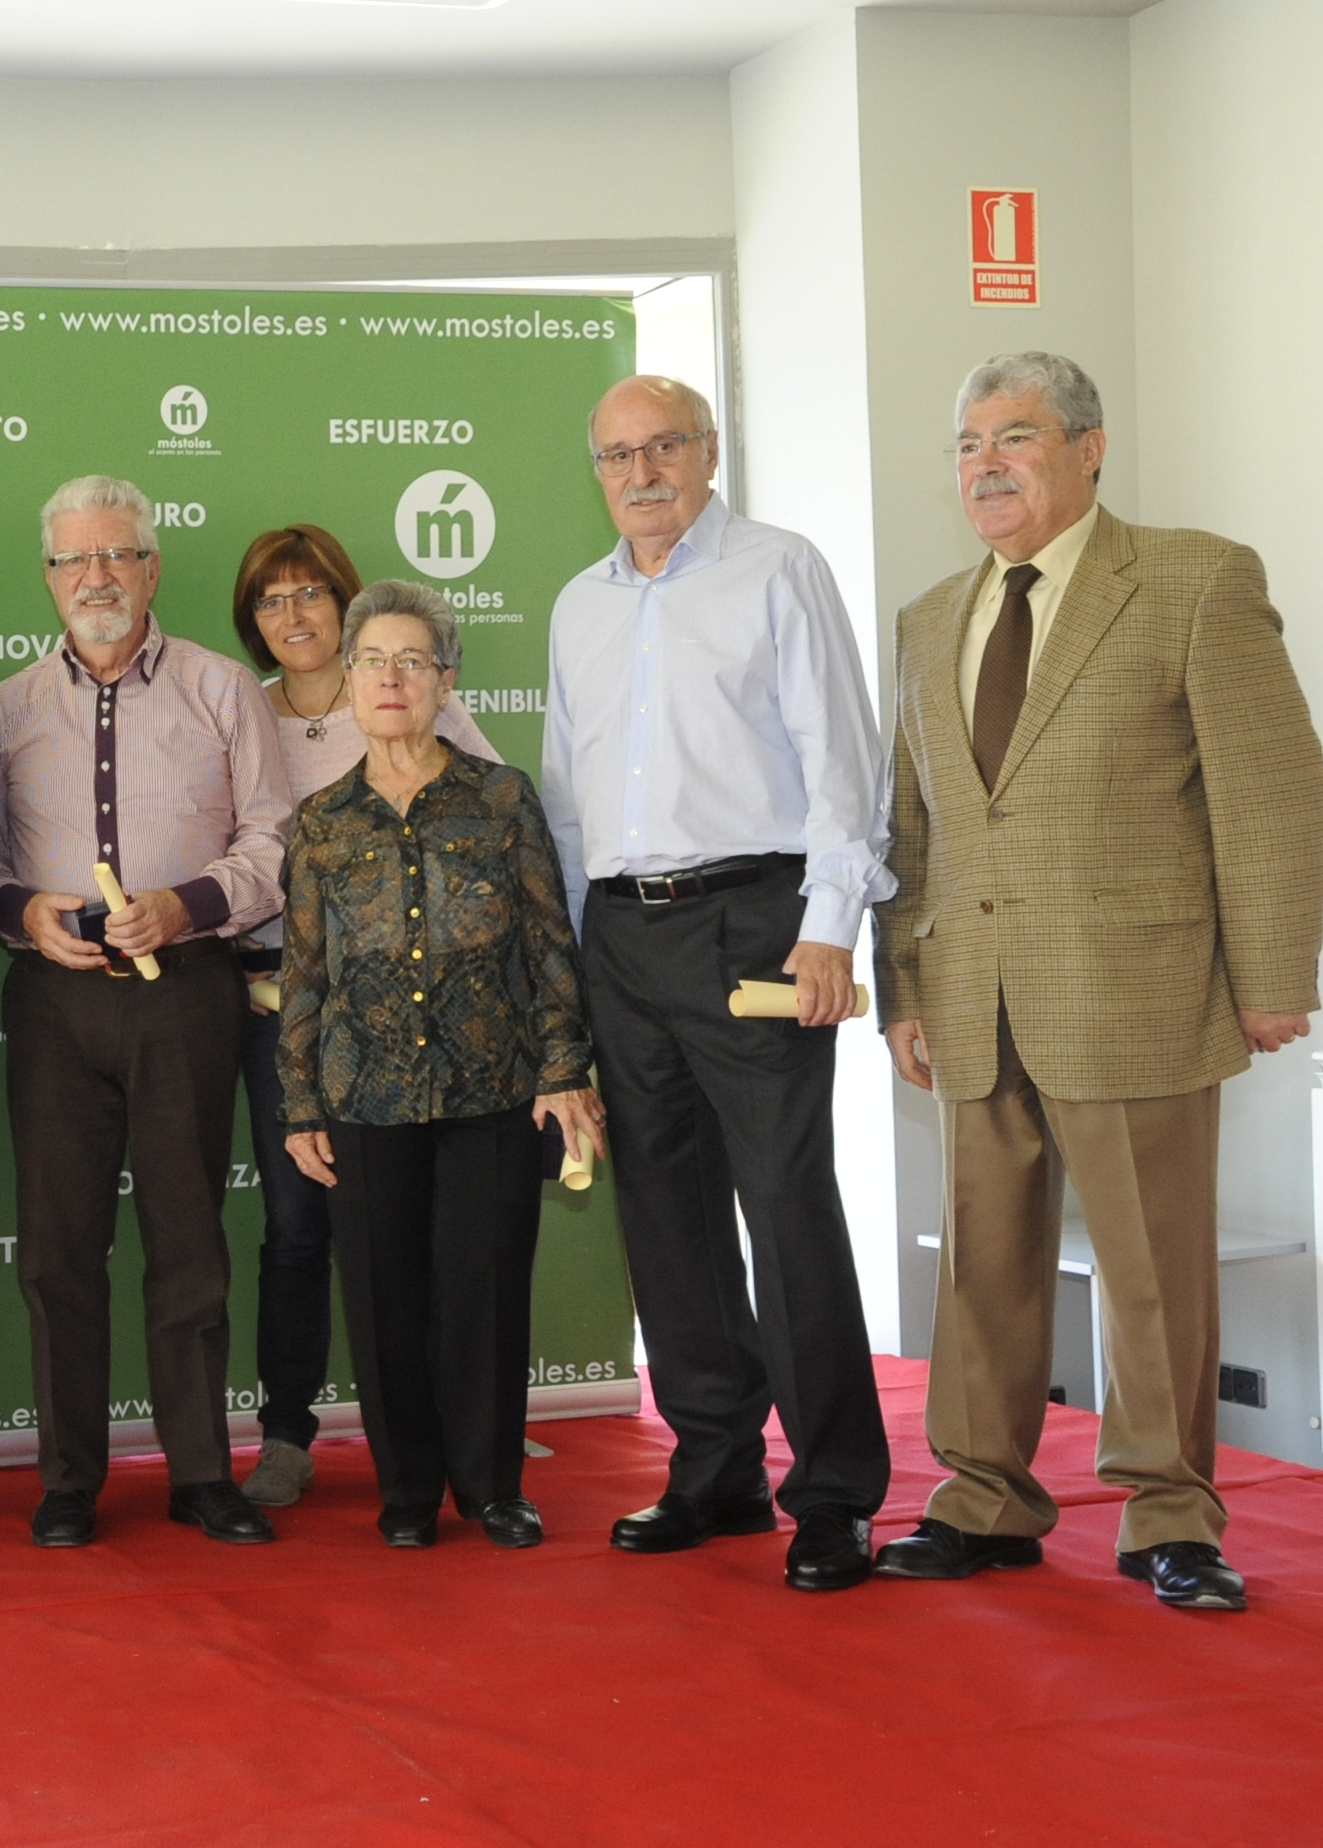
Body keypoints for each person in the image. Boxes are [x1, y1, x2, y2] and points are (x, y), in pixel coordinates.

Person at [871, 353, 1323, 1612]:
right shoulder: (927, 618)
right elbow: (912, 825)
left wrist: (1274, 976)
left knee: (1151, 1273)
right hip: (971, 996)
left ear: (1089, 446)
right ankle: (985, 1499)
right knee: (982, 1267)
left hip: (1137, 991)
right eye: (968, 444)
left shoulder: (1193, 580)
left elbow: (1273, 793)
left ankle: (1171, 1516)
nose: (986, 465)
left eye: (1014, 436)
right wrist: (904, 988)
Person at [540, 374, 893, 1594]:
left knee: (786, 1209)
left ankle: (835, 1493)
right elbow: (568, 796)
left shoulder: (778, 569)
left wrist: (832, 928)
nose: (641, 474)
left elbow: (842, 762)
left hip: (757, 924)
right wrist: (574, 958)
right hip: (621, 934)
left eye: (664, 448)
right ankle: (716, 1464)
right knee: (665, 1212)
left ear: (709, 451)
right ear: (597, 470)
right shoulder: (579, 604)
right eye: (618, 455)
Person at [0, 474, 293, 1549]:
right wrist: (22, 911)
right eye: (74, 559)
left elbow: (273, 840)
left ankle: (201, 1473)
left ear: (152, 569)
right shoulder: (11, 707)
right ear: (49, 578)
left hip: (188, 993)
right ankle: (69, 1480)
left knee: (189, 1240)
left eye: (116, 554)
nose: (96, 577)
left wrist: (184, 904)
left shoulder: (221, 688)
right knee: (56, 1252)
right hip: (53, 1002)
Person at [278, 582, 603, 1548]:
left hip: (492, 1087)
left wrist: (564, 1068)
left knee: (485, 1293)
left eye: (411, 662)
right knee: (384, 1302)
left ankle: (493, 1487)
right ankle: (408, 1493)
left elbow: (550, 944)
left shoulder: (501, 799)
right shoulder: (322, 821)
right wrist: (300, 1103)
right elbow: (304, 972)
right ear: (348, 681)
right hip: (363, 1094)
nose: (391, 679)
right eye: (373, 661)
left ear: (445, 681)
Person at [226, 525, 500, 1509]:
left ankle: (439, 1443)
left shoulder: (404, 695)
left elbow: (490, 824)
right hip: (281, 1010)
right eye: (271, 599)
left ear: (347, 608)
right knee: (298, 1226)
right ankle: (286, 1433)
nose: (292, 615)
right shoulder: (238, 711)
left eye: (310, 594)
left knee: (415, 1233)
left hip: (410, 1012)